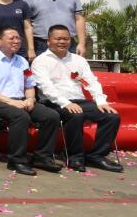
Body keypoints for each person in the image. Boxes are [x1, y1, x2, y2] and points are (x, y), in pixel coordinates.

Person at [30, 25, 122, 173]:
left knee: (111, 116)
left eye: (66, 39)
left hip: (79, 100)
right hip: (53, 102)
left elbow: (91, 81)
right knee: (75, 115)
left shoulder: (78, 60)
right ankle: (75, 157)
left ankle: (96, 155)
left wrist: (100, 101)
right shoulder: (40, 61)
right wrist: (66, 103)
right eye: (58, 39)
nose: (62, 42)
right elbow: (46, 88)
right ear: (48, 41)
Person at [0, 26, 62, 175]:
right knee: (21, 116)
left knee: (51, 116)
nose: (16, 41)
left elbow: (29, 85)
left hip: (21, 100)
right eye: (12, 38)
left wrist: (30, 99)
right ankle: (16, 161)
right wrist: (9, 101)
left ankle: (42, 157)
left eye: (18, 38)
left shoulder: (22, 61)